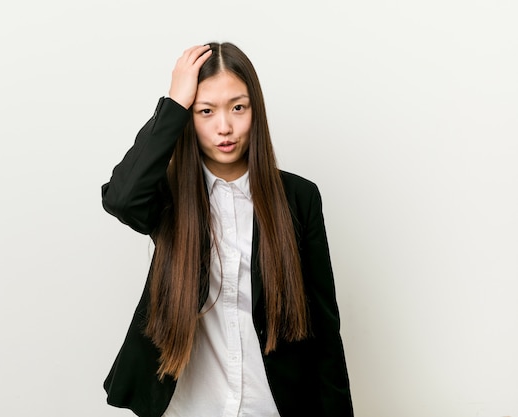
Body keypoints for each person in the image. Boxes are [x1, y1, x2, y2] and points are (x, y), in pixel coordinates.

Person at [101, 42, 354, 417]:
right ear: (190, 117)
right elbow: (121, 199)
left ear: (256, 110)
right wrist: (173, 103)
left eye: (238, 107)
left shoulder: (299, 198)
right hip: (188, 408)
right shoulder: (171, 196)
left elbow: (324, 328)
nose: (225, 127)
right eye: (206, 111)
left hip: (268, 407)